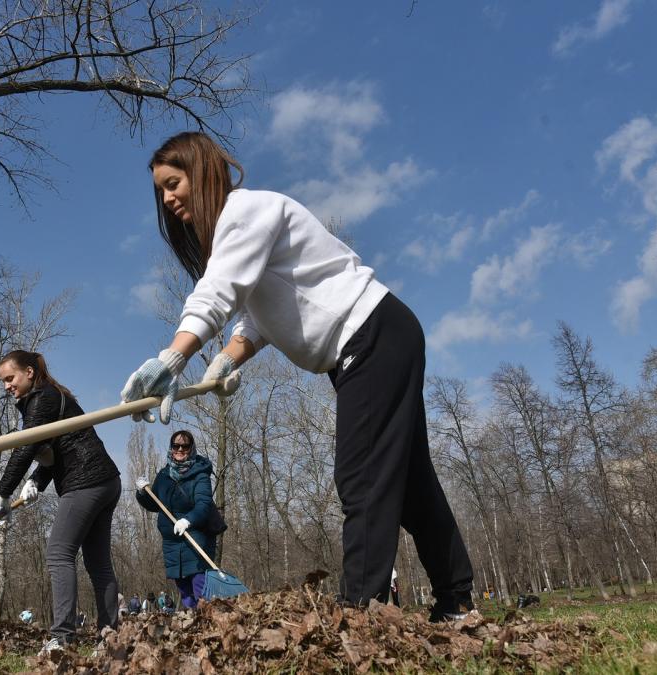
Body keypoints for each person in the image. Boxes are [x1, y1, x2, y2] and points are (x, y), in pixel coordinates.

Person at [120, 131, 476, 621]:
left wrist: (173, 356)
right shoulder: (240, 233)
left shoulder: (245, 212)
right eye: (161, 190)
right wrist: (226, 360)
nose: (168, 197)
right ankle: (456, 601)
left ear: (201, 173)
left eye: (174, 182)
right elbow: (257, 317)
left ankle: (360, 614)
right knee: (411, 486)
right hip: (378, 338)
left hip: (370, 332)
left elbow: (217, 291)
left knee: (362, 479)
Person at [0, 350, 122, 653]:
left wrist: (2, 492)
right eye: (4, 382)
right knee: (98, 563)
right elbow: (56, 449)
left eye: (11, 378)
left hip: (85, 481)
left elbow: (25, 447)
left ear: (30, 373)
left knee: (58, 553)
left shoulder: (41, 399)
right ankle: (109, 636)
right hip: (106, 480)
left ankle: (62, 638)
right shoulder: (51, 397)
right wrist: (36, 480)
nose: (7, 386)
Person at [135, 430, 218, 610]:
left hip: (195, 539)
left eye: (185, 446)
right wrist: (142, 492)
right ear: (171, 447)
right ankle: (193, 623)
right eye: (176, 445)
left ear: (191, 448)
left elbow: (203, 504)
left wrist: (187, 520)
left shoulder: (200, 474)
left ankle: (207, 622)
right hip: (172, 544)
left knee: (199, 586)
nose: (180, 449)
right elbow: (154, 504)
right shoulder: (164, 475)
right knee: (184, 590)